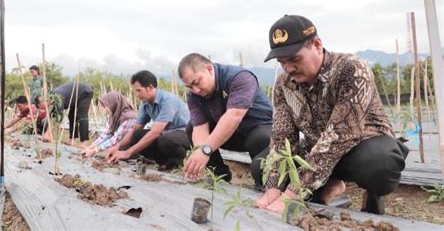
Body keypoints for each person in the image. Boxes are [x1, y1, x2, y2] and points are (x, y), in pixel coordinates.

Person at [257, 14, 409, 215]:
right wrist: (273, 189)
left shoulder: (351, 69)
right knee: (260, 166)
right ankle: (331, 185)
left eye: (294, 59)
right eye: (281, 62)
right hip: (315, 150)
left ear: (317, 44)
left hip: (361, 147)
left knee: (380, 165)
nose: (289, 68)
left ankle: (372, 192)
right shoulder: (284, 84)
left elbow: (338, 137)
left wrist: (290, 195)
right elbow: (281, 137)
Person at [178, 53, 273, 185]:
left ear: (209, 69)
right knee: (191, 127)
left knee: (258, 148)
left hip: (258, 130)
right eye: (190, 87)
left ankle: (263, 181)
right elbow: (200, 127)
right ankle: (219, 177)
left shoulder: (239, 77)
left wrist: (205, 150)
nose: (196, 90)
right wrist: (199, 153)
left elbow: (234, 116)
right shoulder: (194, 96)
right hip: (229, 135)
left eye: (197, 82)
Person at [107, 70, 190, 171]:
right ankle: (165, 162)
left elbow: (155, 132)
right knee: (137, 135)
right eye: (135, 91)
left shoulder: (168, 100)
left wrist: (127, 153)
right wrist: (117, 146)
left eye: (139, 90)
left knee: (164, 139)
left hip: (185, 134)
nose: (137, 94)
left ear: (150, 88)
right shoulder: (146, 105)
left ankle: (181, 161)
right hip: (167, 135)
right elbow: (136, 128)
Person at [37, 82, 94, 148]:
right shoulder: (51, 97)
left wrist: (48, 133)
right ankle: (71, 139)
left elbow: (59, 117)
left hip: (85, 92)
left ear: (46, 101)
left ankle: (84, 142)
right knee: (71, 116)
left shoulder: (58, 97)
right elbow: (53, 116)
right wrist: (47, 133)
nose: (44, 109)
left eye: (43, 107)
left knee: (82, 116)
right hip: (75, 95)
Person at [81, 92, 137, 157]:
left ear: (114, 104)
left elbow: (116, 139)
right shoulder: (113, 116)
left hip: (130, 150)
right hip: (119, 147)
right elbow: (105, 135)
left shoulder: (129, 118)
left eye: (106, 106)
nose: (105, 110)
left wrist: (95, 151)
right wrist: (90, 148)